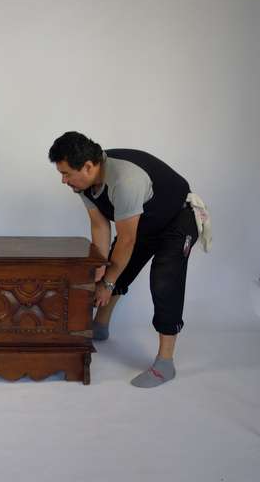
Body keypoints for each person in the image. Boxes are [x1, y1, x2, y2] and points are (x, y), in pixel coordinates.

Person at [48, 131, 205, 388]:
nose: (64, 180)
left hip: (178, 220)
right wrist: (98, 269)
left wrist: (108, 282)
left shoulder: (125, 180)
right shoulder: (83, 183)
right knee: (113, 265)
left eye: (66, 173)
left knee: (165, 280)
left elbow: (127, 241)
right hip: (144, 222)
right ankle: (100, 325)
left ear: (88, 166)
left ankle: (165, 363)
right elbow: (100, 227)